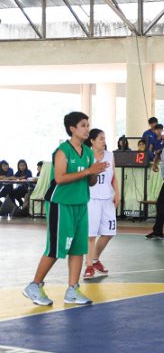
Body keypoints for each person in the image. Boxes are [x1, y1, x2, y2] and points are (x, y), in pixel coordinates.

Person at [23, 111, 108, 306]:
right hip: (60, 204)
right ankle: (34, 285)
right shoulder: (63, 151)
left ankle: (72, 290)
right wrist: (88, 170)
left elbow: (91, 182)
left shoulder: (87, 152)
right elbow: (60, 178)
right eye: (83, 125)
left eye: (88, 125)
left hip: (80, 204)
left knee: (78, 249)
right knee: (55, 248)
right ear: (72, 128)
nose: (87, 129)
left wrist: (96, 172)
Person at [83, 129, 120, 280]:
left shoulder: (110, 155)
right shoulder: (86, 156)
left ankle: (95, 259)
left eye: (104, 138)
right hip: (91, 199)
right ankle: (89, 266)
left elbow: (114, 177)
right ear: (92, 141)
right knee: (91, 235)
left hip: (107, 199)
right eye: (100, 138)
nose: (103, 141)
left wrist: (117, 193)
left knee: (109, 233)